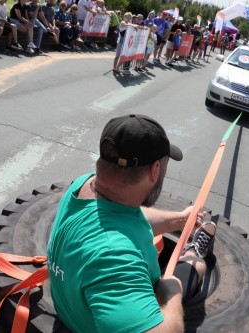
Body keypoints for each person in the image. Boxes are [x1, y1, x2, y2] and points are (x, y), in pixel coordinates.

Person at [47, 114, 216, 333]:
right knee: (185, 273)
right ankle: (193, 255)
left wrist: (181, 219)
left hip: (74, 304)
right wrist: (171, 294)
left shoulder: (84, 185)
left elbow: (130, 218)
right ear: (155, 170)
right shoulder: (114, 257)